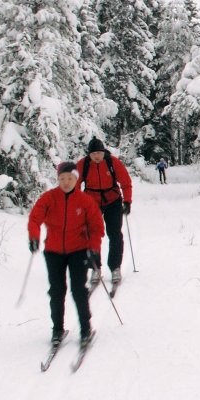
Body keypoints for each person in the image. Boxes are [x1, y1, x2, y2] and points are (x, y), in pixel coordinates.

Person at [28, 160, 105, 348]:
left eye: (69, 178)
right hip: (54, 251)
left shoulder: (85, 200)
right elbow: (35, 217)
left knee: (78, 290)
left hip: (78, 251)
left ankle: (85, 328)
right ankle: (57, 329)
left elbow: (96, 227)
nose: (66, 182)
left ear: (76, 179)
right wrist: (34, 236)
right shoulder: (49, 198)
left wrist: (94, 249)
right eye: (62, 178)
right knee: (56, 291)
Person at [76, 137, 133, 289]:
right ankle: (95, 267)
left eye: (99, 153)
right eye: (93, 153)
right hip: (91, 202)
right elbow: (73, 185)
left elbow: (126, 182)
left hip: (113, 200)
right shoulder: (83, 165)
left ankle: (115, 267)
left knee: (114, 234)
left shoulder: (112, 162)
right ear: (89, 154)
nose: (96, 156)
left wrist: (127, 201)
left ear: (103, 152)